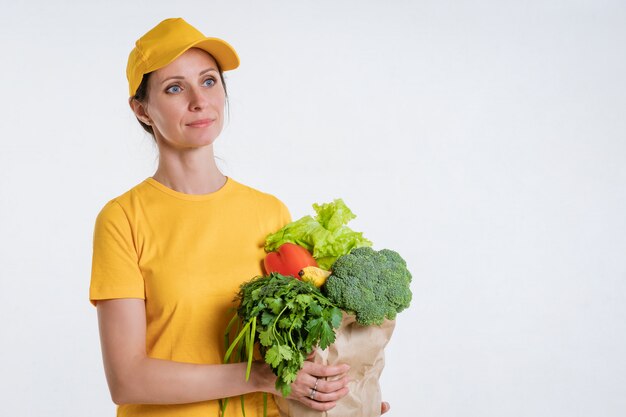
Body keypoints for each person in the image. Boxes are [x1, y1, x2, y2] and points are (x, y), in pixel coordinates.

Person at [90, 17, 390, 417]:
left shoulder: (269, 212)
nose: (199, 100)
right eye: (175, 88)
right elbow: (128, 378)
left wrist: (342, 396)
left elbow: (298, 345)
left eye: (209, 81)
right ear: (142, 110)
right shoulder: (122, 219)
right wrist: (261, 377)